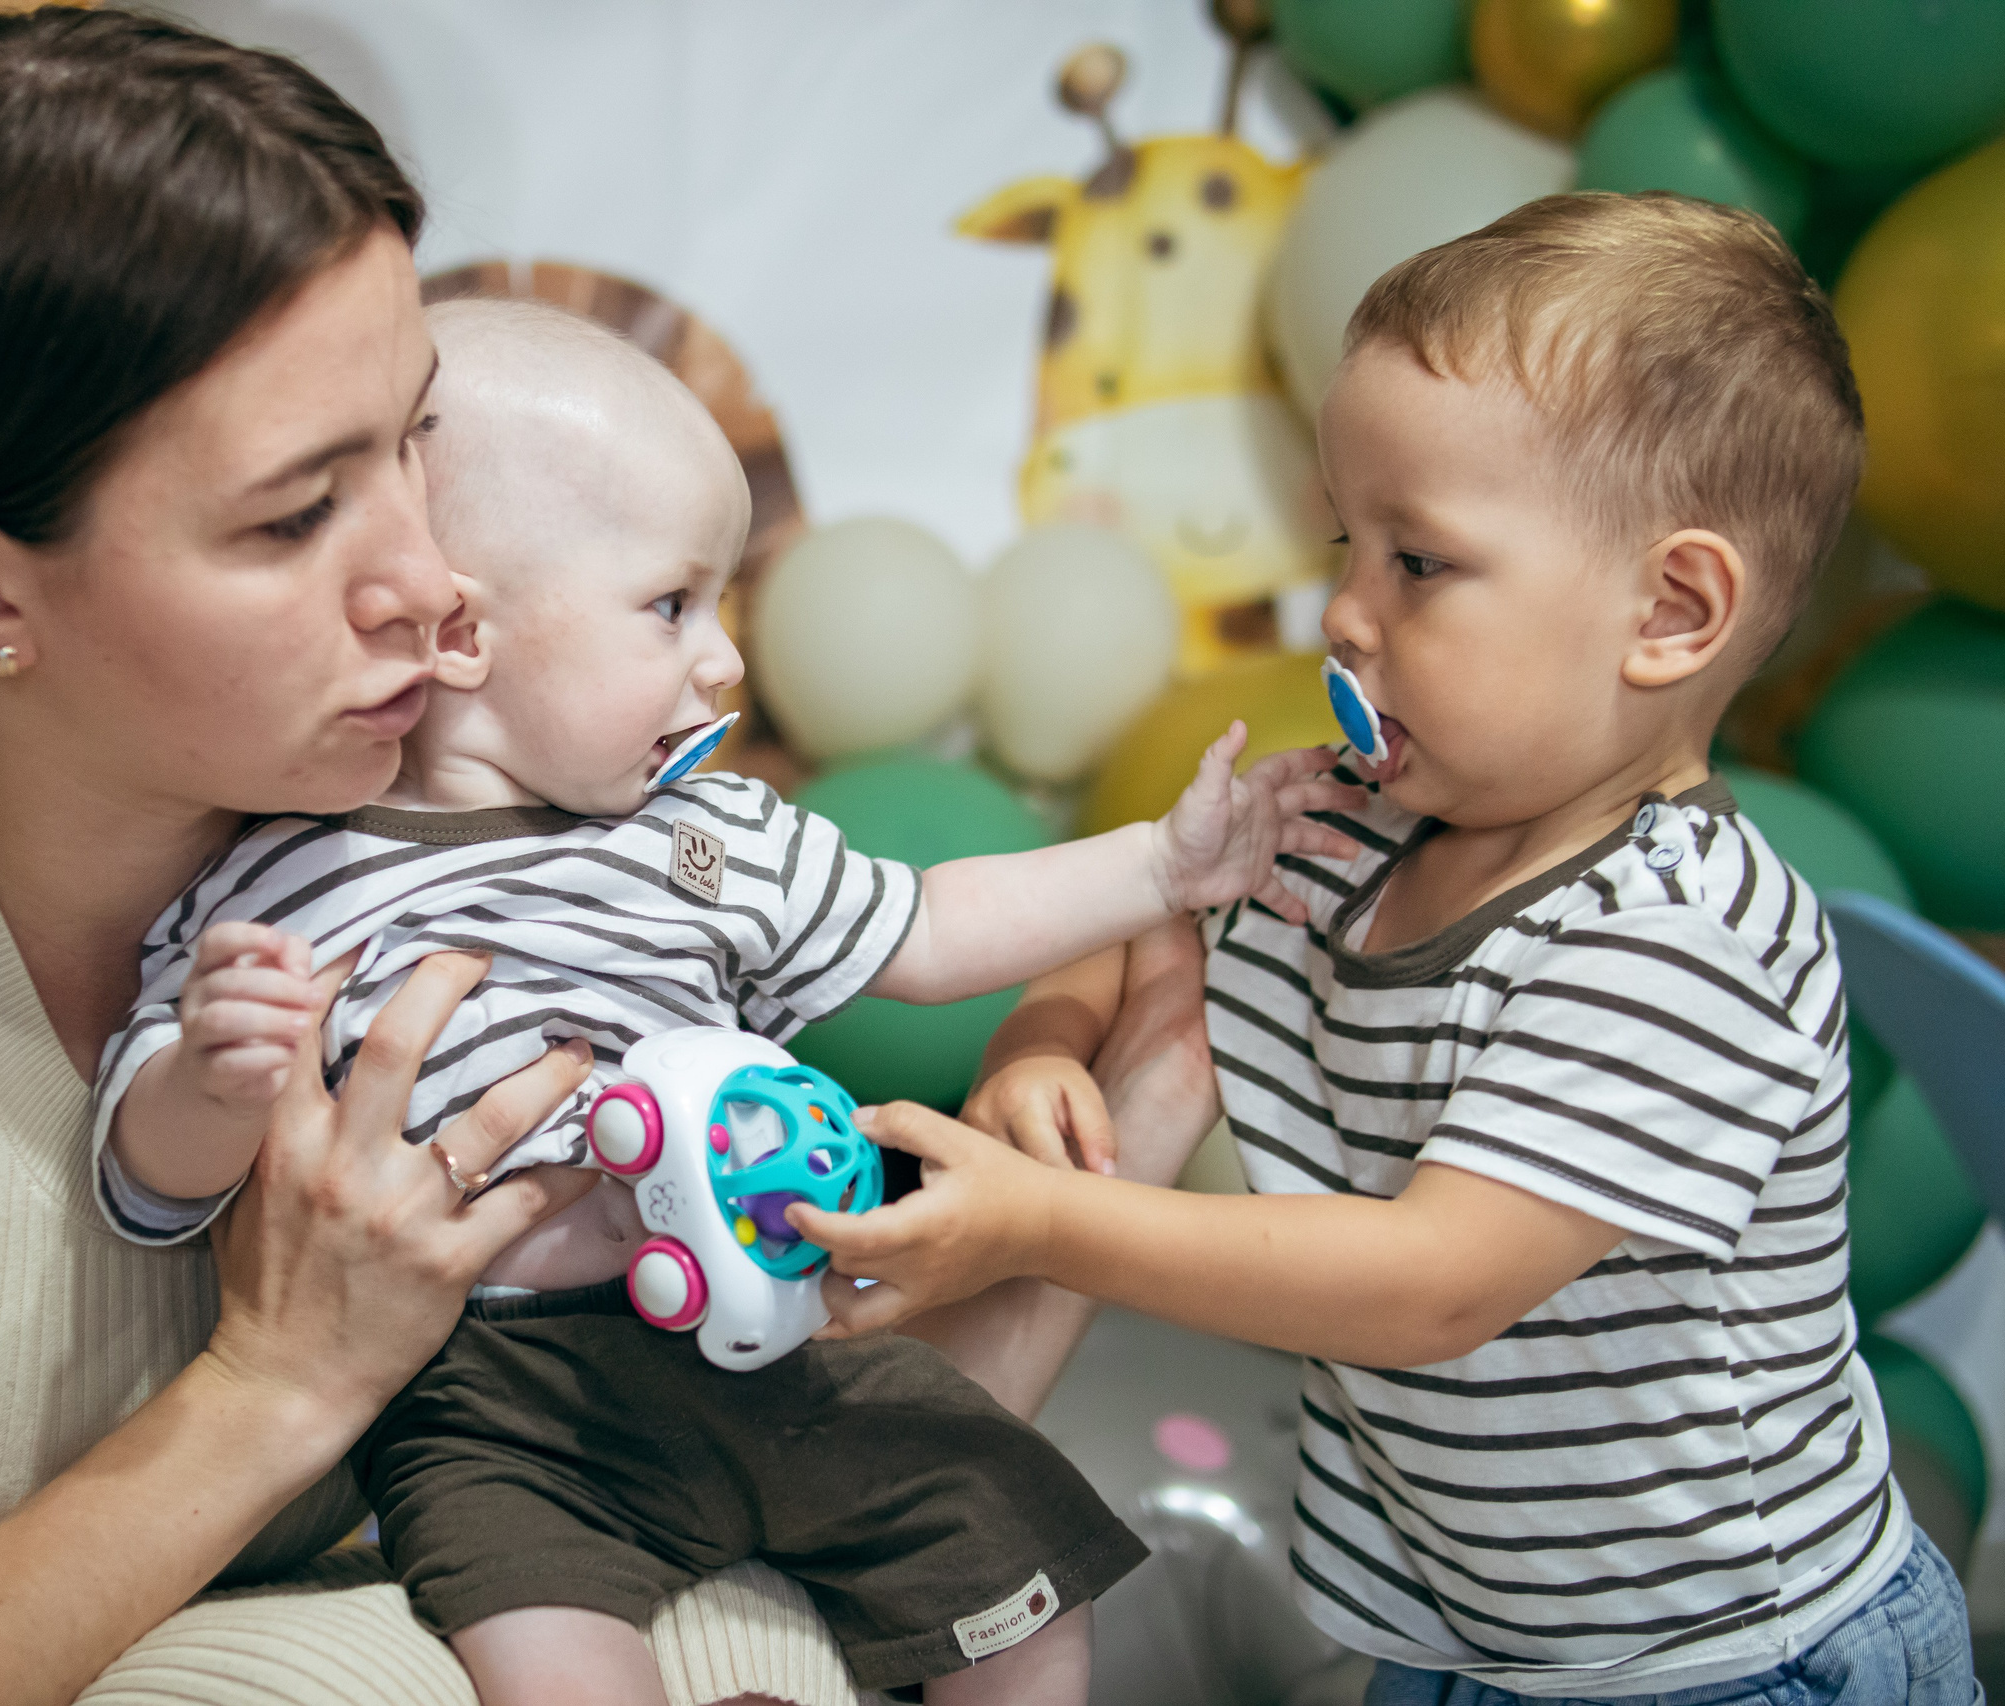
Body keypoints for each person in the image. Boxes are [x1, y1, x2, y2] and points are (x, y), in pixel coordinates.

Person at [0, 13, 1194, 1704]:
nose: (429, 585)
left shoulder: (528, 839)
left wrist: (1097, 1170)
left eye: (414, 445)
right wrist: (283, 1379)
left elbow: (729, 1489)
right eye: (297, 514)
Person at [791, 193, 1985, 1705]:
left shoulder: (1679, 942)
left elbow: (1432, 1281)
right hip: (1453, 1625)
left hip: (1729, 1660)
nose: (1345, 615)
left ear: (1670, 611)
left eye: (1418, 562)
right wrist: (1046, 1041)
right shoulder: (1350, 825)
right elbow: (1147, 923)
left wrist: (1045, 1223)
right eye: (1347, 543)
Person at [90, 296, 1367, 1705]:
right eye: (671, 606)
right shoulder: (291, 869)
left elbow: (933, 925)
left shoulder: (712, 833)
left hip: (778, 1348)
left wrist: (1162, 863)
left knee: (1029, 1587)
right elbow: (148, 1179)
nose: (724, 661)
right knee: (557, 1665)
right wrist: (209, 1081)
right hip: (500, 1405)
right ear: (460, 629)